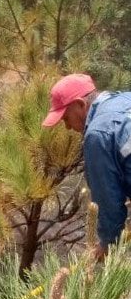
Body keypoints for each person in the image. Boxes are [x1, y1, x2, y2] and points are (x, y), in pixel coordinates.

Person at [42, 73, 131, 260]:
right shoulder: (125, 99)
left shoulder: (97, 134)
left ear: (80, 105)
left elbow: (108, 201)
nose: (67, 127)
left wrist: (107, 244)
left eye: (66, 118)